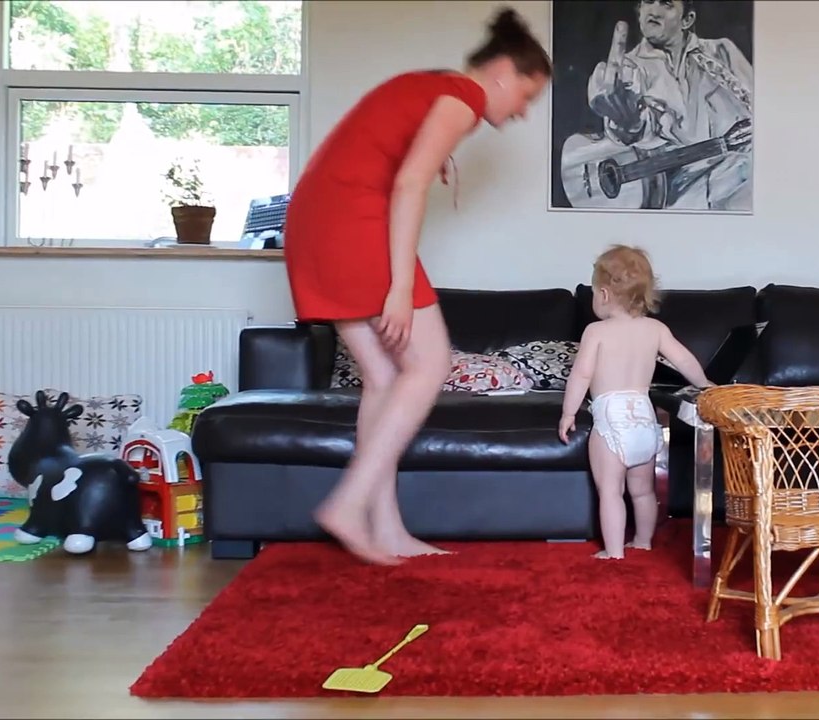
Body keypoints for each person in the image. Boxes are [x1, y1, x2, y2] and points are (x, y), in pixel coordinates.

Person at [283, 8, 551, 565]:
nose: (524, 111)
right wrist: (399, 287)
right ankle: (349, 504)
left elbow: (389, 146)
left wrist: (434, 153)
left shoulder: (434, 88)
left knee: (383, 376)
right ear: (502, 72)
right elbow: (407, 184)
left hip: (316, 220)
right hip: (351, 223)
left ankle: (386, 529)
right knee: (429, 364)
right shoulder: (464, 98)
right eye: (526, 95)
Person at [557, 245, 713, 559]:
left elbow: (581, 375)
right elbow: (683, 358)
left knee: (611, 492)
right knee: (643, 491)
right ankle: (642, 541)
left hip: (611, 418)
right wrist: (704, 383)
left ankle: (614, 552)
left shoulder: (595, 331)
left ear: (602, 293)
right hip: (644, 417)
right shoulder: (655, 329)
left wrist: (568, 412)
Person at [586, 0, 753, 210]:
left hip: (742, 187)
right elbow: (637, 132)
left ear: (687, 20)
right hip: (682, 205)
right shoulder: (627, 74)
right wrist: (629, 124)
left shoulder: (722, 51)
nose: (653, 11)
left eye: (666, 3)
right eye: (647, 2)